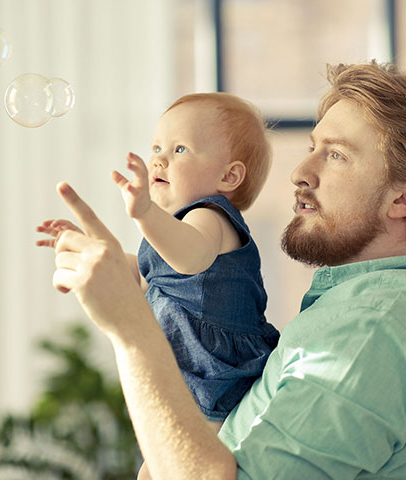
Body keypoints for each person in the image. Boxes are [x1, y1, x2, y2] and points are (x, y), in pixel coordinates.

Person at [43, 61, 406, 479]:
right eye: (312, 149)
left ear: (405, 198)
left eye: (336, 155)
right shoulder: (382, 311)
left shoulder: (370, 329)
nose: (300, 173)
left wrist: (129, 329)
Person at [36, 93, 280, 477]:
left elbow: (191, 258)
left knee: (183, 467)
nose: (159, 159)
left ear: (228, 177)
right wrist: (93, 251)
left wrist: (146, 213)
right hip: (187, 372)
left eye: (180, 148)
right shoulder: (171, 232)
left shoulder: (210, 218)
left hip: (218, 372)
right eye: (156, 147)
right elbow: (146, 276)